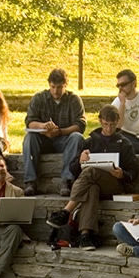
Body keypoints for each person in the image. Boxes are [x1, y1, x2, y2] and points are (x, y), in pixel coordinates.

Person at [46, 105, 139, 251]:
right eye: (105, 124)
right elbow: (74, 170)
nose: (109, 129)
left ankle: (66, 211)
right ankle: (85, 235)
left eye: (112, 125)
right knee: (91, 189)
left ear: (117, 122)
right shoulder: (89, 142)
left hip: (113, 185)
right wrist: (80, 160)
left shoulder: (125, 144)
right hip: (92, 184)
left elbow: (134, 171)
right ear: (100, 121)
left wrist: (122, 174)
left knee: (91, 171)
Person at [22, 68, 86, 196]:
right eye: (53, 87)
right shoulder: (39, 98)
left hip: (64, 139)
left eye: (59, 87)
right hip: (43, 139)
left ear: (65, 85)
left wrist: (60, 131)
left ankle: (67, 180)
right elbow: (30, 121)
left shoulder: (73, 100)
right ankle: (31, 181)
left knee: (77, 138)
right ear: (49, 85)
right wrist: (43, 127)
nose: (55, 91)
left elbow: (80, 125)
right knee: (29, 137)